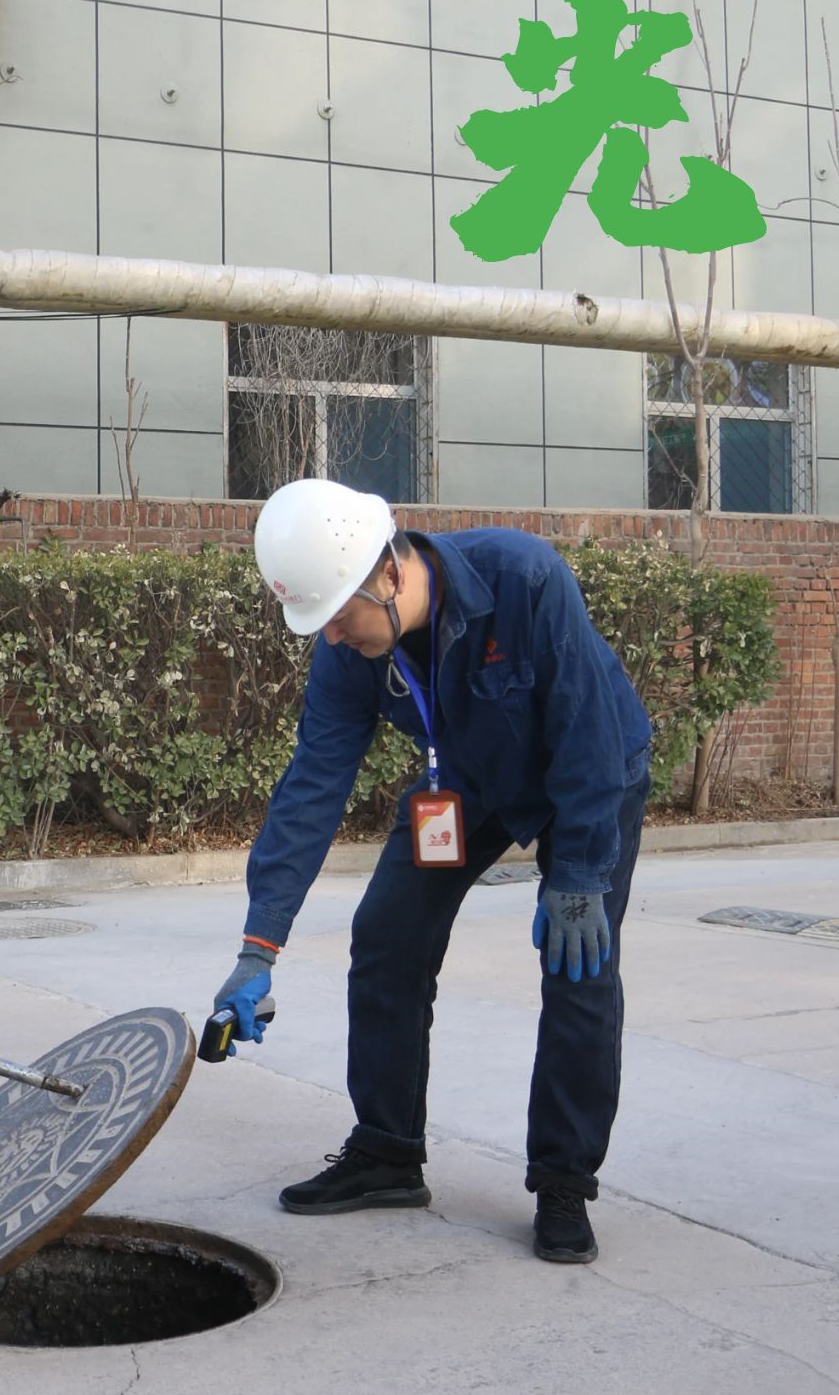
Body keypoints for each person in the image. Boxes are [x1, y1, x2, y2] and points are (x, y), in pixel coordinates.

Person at [212, 479, 652, 1265]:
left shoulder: (523, 579)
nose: (331, 635)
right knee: (388, 932)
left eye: (337, 614)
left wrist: (580, 873)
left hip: (590, 776)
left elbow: (584, 727)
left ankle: (562, 1180)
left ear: (387, 572)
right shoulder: (345, 653)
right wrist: (259, 945)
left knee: (577, 964)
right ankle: (386, 1151)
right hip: (467, 782)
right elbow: (312, 785)